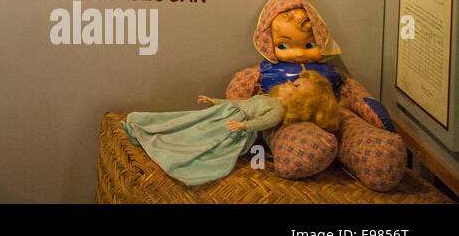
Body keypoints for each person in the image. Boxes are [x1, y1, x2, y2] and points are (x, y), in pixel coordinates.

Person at [122, 71, 340, 187]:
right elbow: (239, 103)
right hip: (225, 114)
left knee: (203, 137)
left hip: (232, 127)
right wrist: (214, 101)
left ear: (304, 102)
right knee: (190, 122)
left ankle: (171, 146)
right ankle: (153, 130)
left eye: (296, 86)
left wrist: (243, 125)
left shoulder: (278, 111)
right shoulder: (267, 98)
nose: (288, 83)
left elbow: (264, 123)